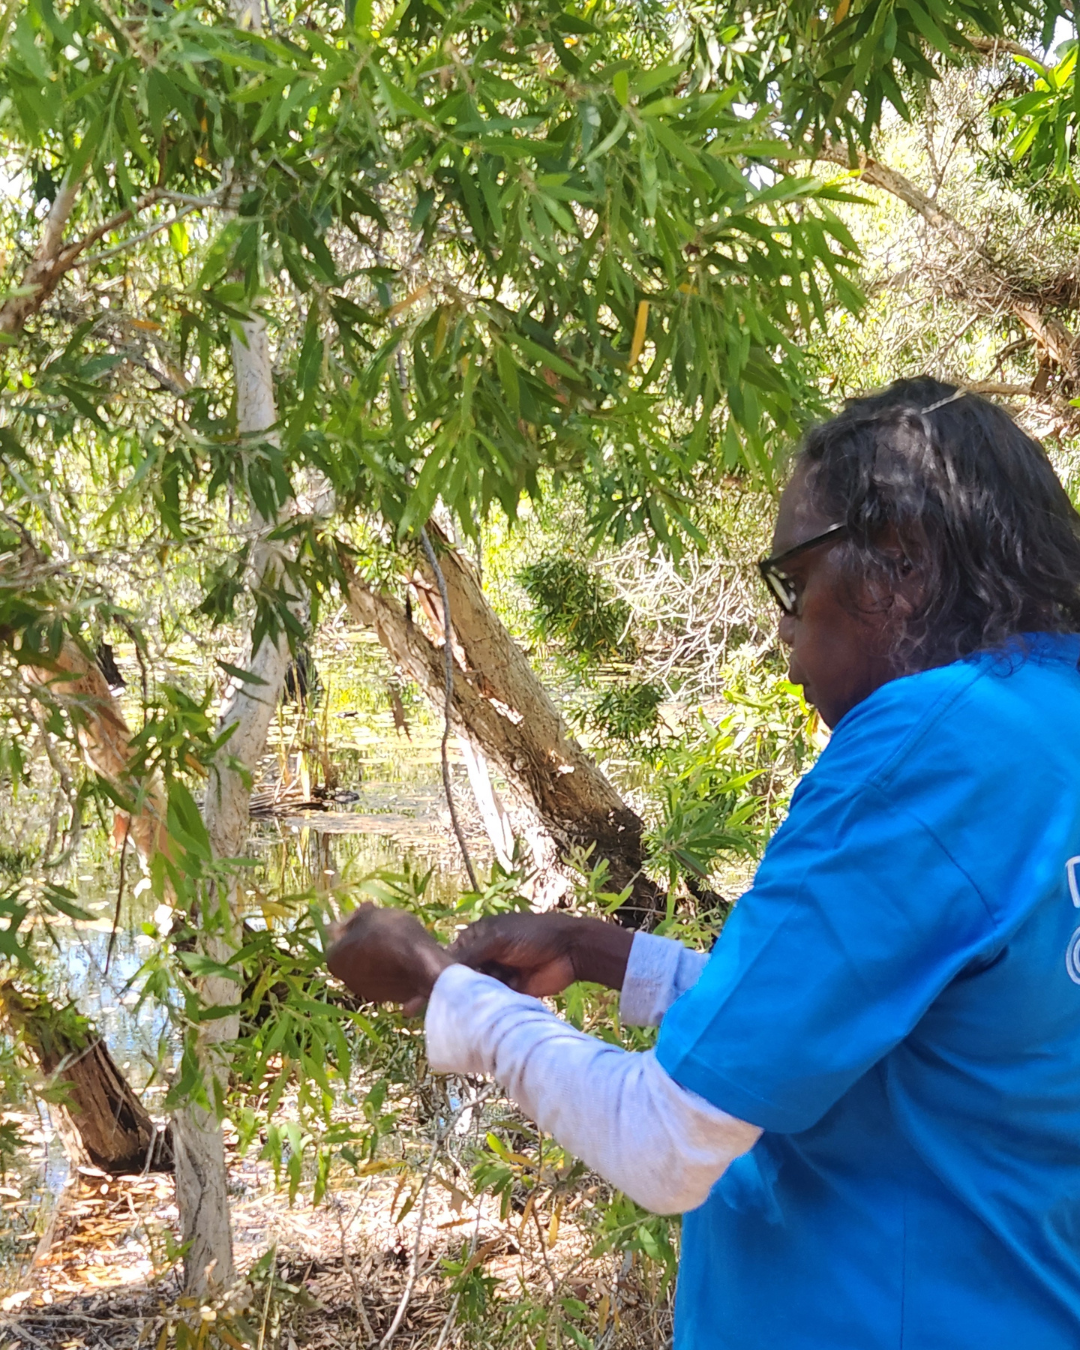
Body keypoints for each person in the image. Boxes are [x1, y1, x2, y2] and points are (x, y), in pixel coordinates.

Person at [326, 378, 1080, 1349]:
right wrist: (601, 953)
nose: (786, 633)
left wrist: (441, 986)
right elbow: (877, 1023)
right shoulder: (1050, 728)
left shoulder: (926, 748)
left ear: (899, 559)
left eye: (794, 581)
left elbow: (666, 1142)